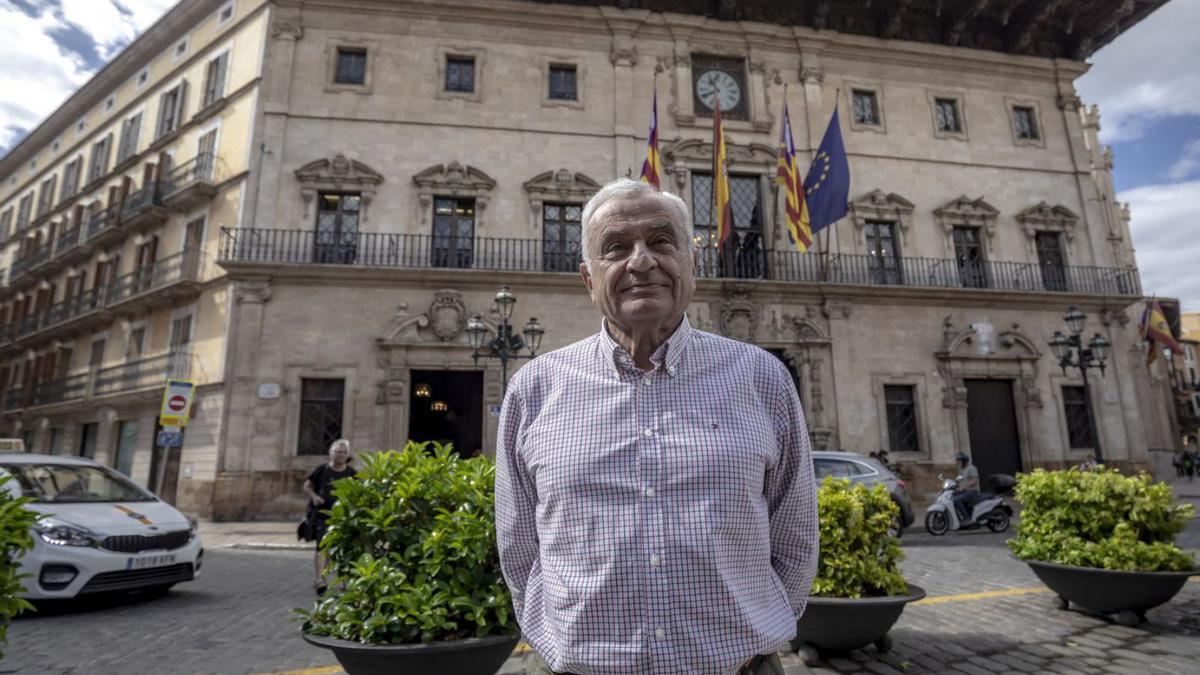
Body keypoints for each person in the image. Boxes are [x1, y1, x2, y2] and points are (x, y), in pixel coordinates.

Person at [495, 178, 819, 675]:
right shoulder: (534, 388)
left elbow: (795, 529)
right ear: (588, 279)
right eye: (616, 247)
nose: (641, 261)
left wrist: (755, 635)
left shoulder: (761, 376)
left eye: (661, 241)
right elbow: (518, 544)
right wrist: (554, 636)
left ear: (691, 262)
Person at [302, 438, 356, 594]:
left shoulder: (351, 473)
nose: (340, 455)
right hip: (322, 516)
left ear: (347, 455)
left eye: (343, 452)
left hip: (344, 518)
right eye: (337, 452)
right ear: (331, 453)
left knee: (342, 549)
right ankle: (319, 580)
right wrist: (314, 497)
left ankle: (344, 579)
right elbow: (307, 485)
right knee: (322, 548)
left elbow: (359, 492)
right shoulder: (322, 470)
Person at [952, 452, 980, 523]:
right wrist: (954, 484)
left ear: (964, 461)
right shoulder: (961, 469)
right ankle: (957, 518)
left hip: (971, 492)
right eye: (957, 460)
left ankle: (967, 519)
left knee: (956, 500)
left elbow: (974, 480)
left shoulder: (972, 468)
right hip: (963, 492)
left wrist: (964, 486)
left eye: (959, 460)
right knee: (951, 496)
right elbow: (959, 480)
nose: (958, 462)